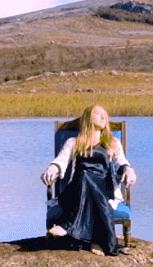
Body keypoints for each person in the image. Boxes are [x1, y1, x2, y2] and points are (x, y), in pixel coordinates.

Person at [41, 104, 137, 255]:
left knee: (87, 177)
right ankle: (97, 241)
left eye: (105, 114)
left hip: (103, 189)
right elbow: (61, 160)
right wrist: (52, 168)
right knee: (84, 174)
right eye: (98, 114)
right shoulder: (73, 142)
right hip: (77, 190)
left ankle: (68, 226)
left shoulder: (113, 143)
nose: (104, 117)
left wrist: (129, 170)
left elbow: (122, 162)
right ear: (87, 118)